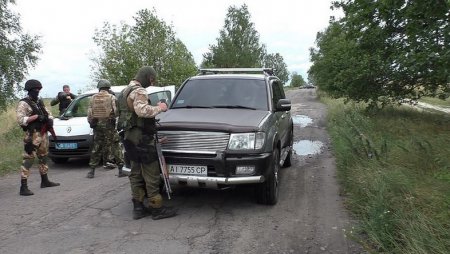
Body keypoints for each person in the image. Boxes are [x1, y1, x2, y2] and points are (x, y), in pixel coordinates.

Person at [117, 66, 177, 220]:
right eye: (151, 80)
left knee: (135, 172)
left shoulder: (124, 92)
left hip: (129, 138)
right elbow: (142, 111)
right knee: (151, 173)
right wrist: (160, 108)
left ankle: (138, 208)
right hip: (142, 140)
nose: (151, 83)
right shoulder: (140, 91)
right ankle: (156, 208)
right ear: (147, 77)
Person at [16, 79, 60, 196]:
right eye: (35, 89)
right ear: (30, 90)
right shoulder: (24, 103)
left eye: (39, 89)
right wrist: (35, 117)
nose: (37, 91)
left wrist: (49, 119)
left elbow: (47, 113)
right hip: (32, 135)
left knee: (43, 157)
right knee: (29, 160)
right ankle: (23, 187)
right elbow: (21, 120)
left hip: (43, 133)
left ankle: (45, 181)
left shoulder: (39, 101)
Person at [86, 79, 126, 178]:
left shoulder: (93, 98)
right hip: (109, 126)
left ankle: (92, 171)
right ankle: (121, 170)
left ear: (99, 87)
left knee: (97, 147)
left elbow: (89, 114)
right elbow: (117, 112)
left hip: (97, 126)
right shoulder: (112, 97)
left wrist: (92, 122)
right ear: (108, 87)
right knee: (116, 146)